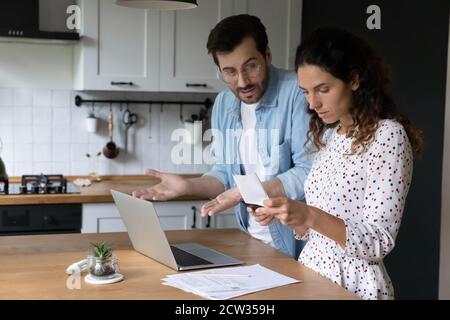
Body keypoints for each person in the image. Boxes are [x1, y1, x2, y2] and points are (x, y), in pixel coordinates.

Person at [250, 27, 423, 299]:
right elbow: (319, 231)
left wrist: (308, 214)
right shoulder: (331, 136)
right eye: (305, 92)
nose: (313, 103)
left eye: (323, 89)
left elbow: (379, 240)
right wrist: (290, 216)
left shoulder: (387, 136)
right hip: (312, 277)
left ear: (354, 80)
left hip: (354, 287)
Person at [133, 14, 311, 259]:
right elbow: (224, 173)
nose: (242, 81)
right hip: (252, 238)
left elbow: (309, 171)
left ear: (267, 56)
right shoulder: (224, 103)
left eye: (251, 66)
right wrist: (188, 186)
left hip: (299, 244)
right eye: (229, 72)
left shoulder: (298, 92)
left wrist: (249, 191)